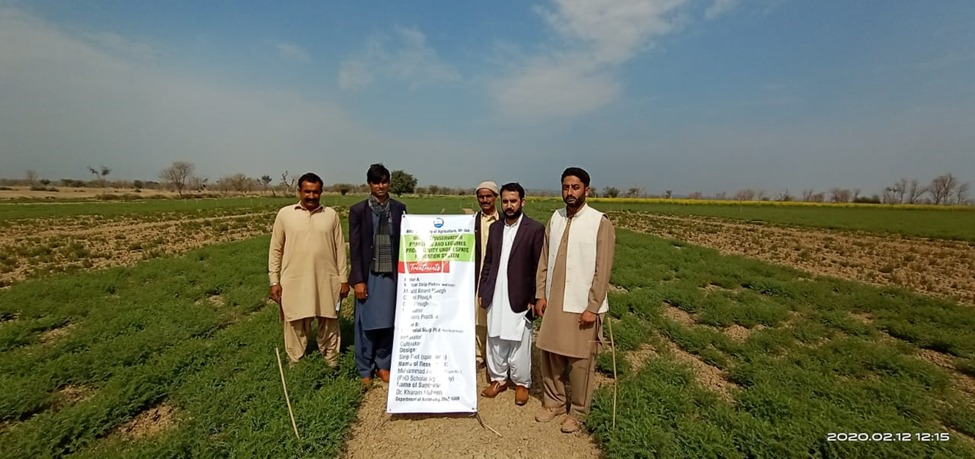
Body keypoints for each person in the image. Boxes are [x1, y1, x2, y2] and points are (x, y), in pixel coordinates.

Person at [533, 167, 615, 434]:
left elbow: (603, 269)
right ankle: (554, 402)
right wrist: (540, 293)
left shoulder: (599, 221)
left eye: (575, 187)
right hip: (555, 299)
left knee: (581, 361)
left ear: (586, 190)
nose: (570, 192)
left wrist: (593, 306)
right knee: (550, 353)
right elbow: (544, 259)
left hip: (582, 303)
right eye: (566, 187)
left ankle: (578, 411)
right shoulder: (555, 218)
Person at [268, 172, 350, 366]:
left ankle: (331, 362)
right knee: (295, 322)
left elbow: (340, 248)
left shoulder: (330, 215)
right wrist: (274, 280)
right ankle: (296, 363)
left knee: (329, 320)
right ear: (299, 191)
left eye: (315, 192)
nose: (311, 196)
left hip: (326, 279)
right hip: (294, 280)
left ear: (321, 192)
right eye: (307, 191)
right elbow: (275, 249)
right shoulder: (285, 214)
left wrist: (344, 279)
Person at [477, 183, 544, 406]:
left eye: (513, 201)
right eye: (505, 201)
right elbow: (488, 261)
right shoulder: (496, 228)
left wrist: (535, 297)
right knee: (495, 338)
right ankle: (498, 379)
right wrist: (483, 289)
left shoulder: (534, 229)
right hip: (496, 293)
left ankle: (522, 383)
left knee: (519, 341)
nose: (508, 205)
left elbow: (538, 266)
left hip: (520, 296)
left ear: (522, 202)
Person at [349, 163, 407, 387]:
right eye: (376, 182)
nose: (380, 186)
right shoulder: (359, 210)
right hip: (369, 274)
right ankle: (365, 367)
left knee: (388, 321)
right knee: (366, 323)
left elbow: (405, 241)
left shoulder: (399, 208)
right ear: (369, 184)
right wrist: (358, 280)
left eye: (384, 181)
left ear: (389, 182)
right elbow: (355, 247)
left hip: (392, 275)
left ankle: (383, 365)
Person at [473, 181, 500, 371]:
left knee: (497, 316)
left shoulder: (504, 221)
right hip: (476, 276)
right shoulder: (472, 221)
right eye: (481, 197)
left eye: (488, 196)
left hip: (498, 276)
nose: (485, 200)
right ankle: (478, 355)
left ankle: (496, 357)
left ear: (495, 198)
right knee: (478, 316)